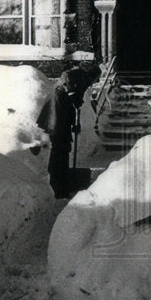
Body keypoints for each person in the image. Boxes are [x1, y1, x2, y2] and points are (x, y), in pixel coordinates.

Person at [36, 62, 102, 198]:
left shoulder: (79, 77)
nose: (95, 82)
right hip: (57, 111)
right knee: (61, 146)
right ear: (93, 75)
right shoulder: (81, 76)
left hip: (60, 110)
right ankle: (58, 184)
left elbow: (74, 99)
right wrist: (73, 95)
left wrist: (73, 123)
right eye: (96, 78)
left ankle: (60, 180)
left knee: (61, 146)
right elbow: (70, 89)